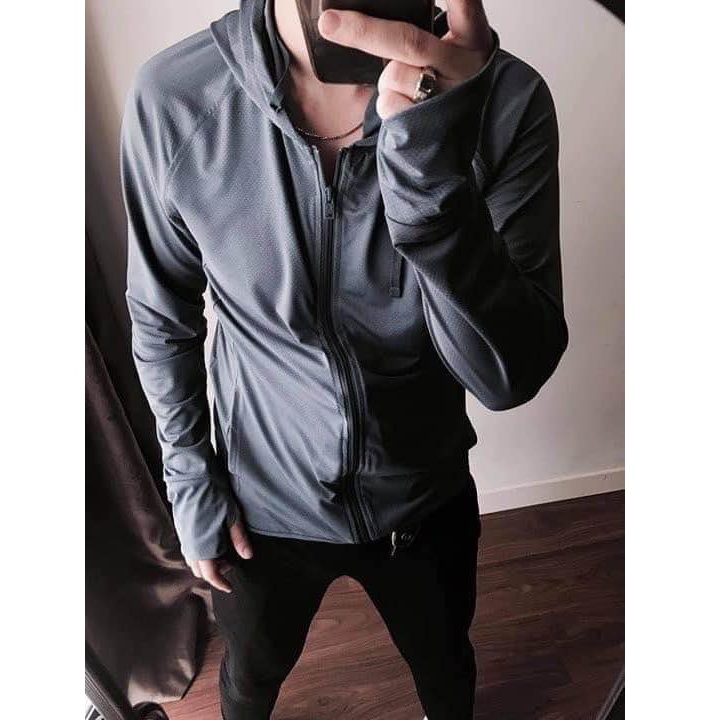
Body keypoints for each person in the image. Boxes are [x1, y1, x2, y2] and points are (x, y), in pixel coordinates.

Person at [119, 0, 569, 717]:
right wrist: (190, 478)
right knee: (250, 679)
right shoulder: (177, 96)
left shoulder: (505, 100)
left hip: (423, 493)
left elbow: (507, 376)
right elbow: (160, 313)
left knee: (445, 667)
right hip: (261, 505)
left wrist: (430, 169)